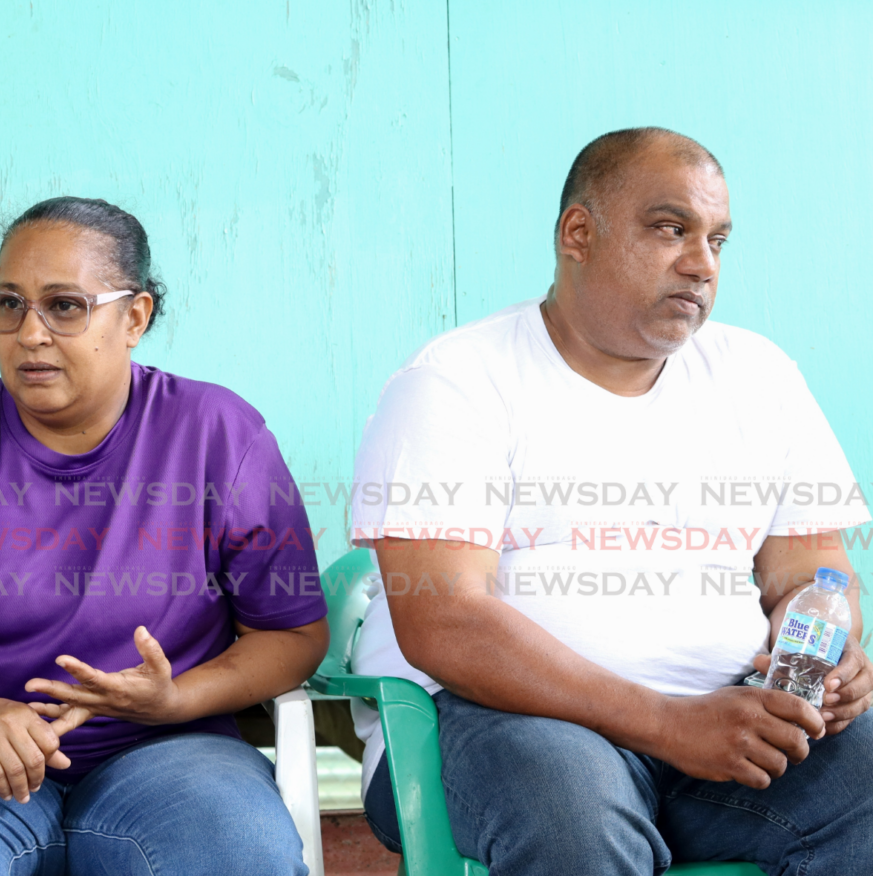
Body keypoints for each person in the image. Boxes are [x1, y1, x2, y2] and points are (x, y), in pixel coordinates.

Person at [349, 128, 873, 874]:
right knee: (570, 810)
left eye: (717, 241)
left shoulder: (760, 376)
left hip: (727, 722)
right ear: (579, 234)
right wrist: (665, 722)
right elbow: (445, 623)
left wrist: (828, 651)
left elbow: (814, 570)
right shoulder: (457, 381)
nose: (701, 265)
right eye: (670, 229)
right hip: (504, 724)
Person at [0, 197, 329, 875]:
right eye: (8, 303)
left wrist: (176, 700)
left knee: (237, 850)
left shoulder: (218, 435)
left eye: (65, 305)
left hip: (170, 752)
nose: (30, 333)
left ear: (134, 317)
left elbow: (293, 635)